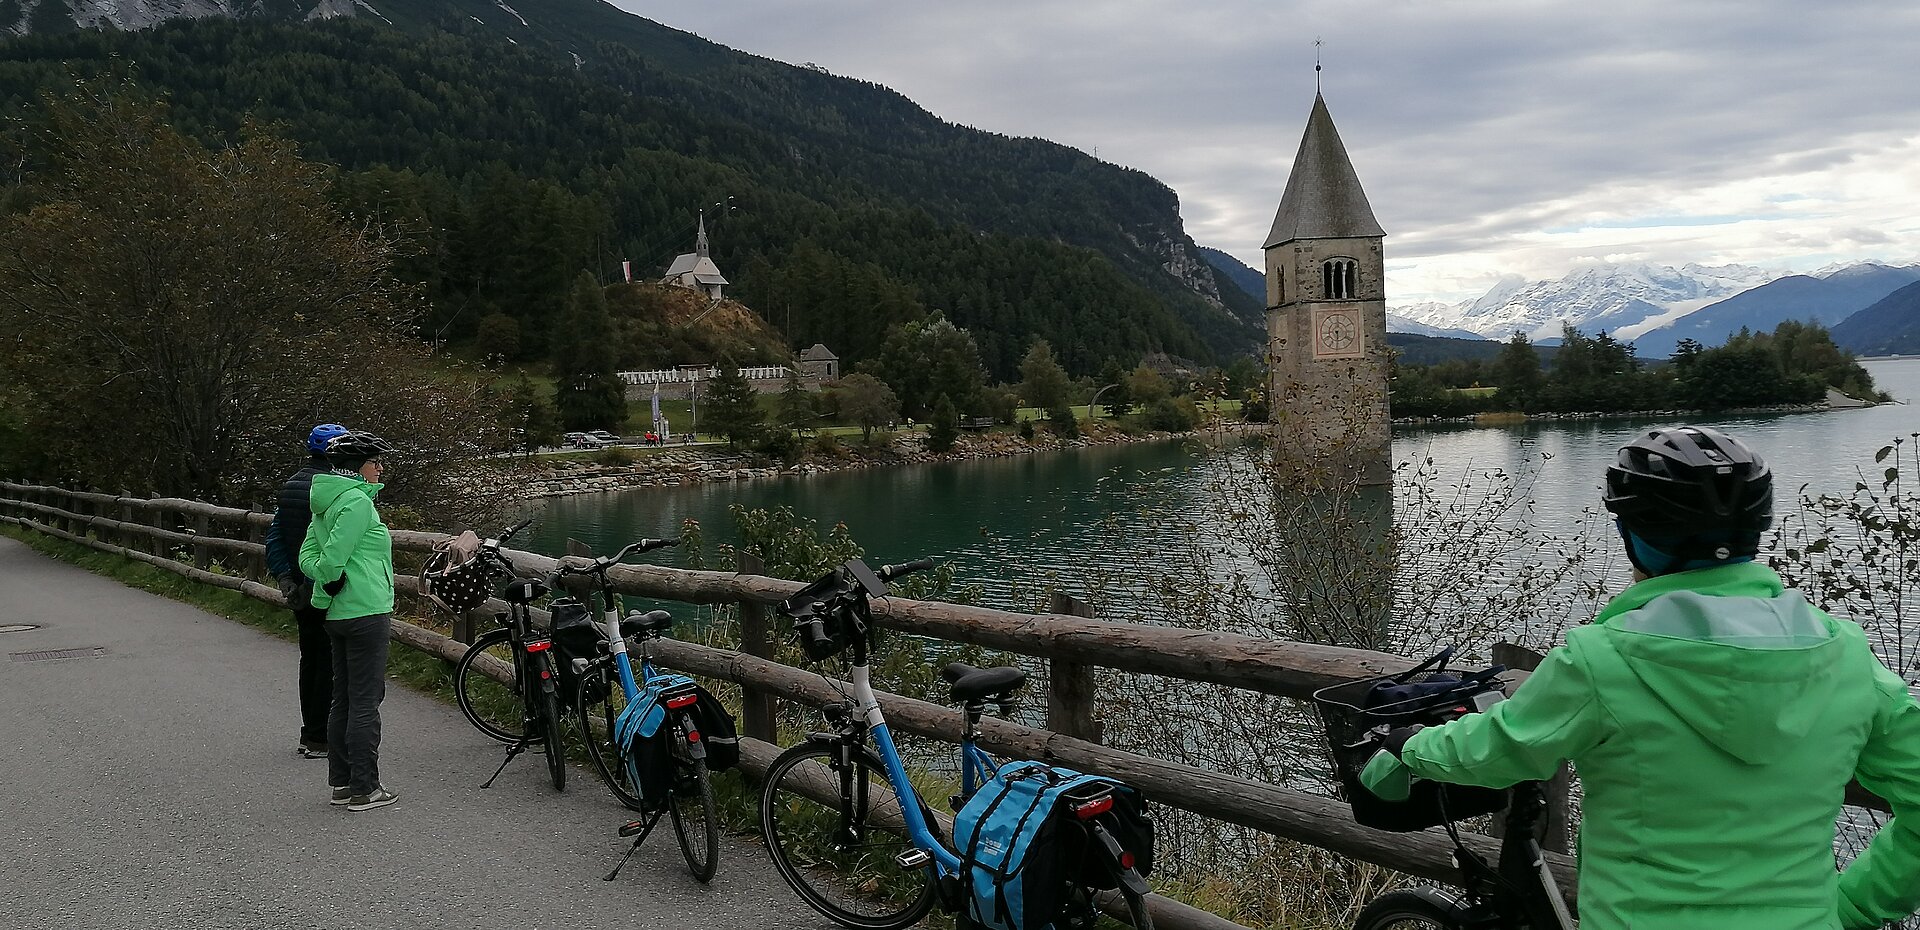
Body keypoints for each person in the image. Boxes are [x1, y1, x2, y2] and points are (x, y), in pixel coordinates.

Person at [1362, 426, 1920, 930]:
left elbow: (1500, 745)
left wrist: (1412, 747)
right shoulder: (1847, 657)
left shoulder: (1603, 660)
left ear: (1640, 538)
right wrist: (1854, 905)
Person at [299, 429, 400, 812]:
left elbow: (307, 555)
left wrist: (325, 592)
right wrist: (327, 587)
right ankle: (365, 788)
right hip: (365, 610)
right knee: (364, 702)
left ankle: (341, 783)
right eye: (375, 462)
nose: (380, 468)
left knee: (342, 699)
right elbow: (331, 560)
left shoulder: (327, 501)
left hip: (340, 615)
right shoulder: (356, 503)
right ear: (359, 467)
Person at [264, 423, 348, 759]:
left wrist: (285, 577)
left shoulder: (290, 486)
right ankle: (320, 737)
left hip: (298, 585)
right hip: (325, 584)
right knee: (329, 660)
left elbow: (275, 537)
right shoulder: (333, 488)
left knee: (310, 659)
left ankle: (308, 732)